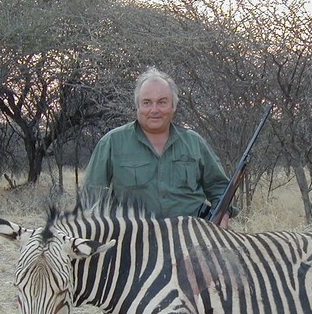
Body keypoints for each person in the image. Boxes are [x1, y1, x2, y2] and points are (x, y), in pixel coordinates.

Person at [84, 67, 234, 227]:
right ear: (138, 107)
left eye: (162, 102)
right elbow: (91, 199)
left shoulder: (194, 142)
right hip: (134, 241)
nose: (154, 110)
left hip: (190, 239)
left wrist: (222, 217)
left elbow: (219, 187)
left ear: (173, 106)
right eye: (147, 103)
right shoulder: (111, 142)